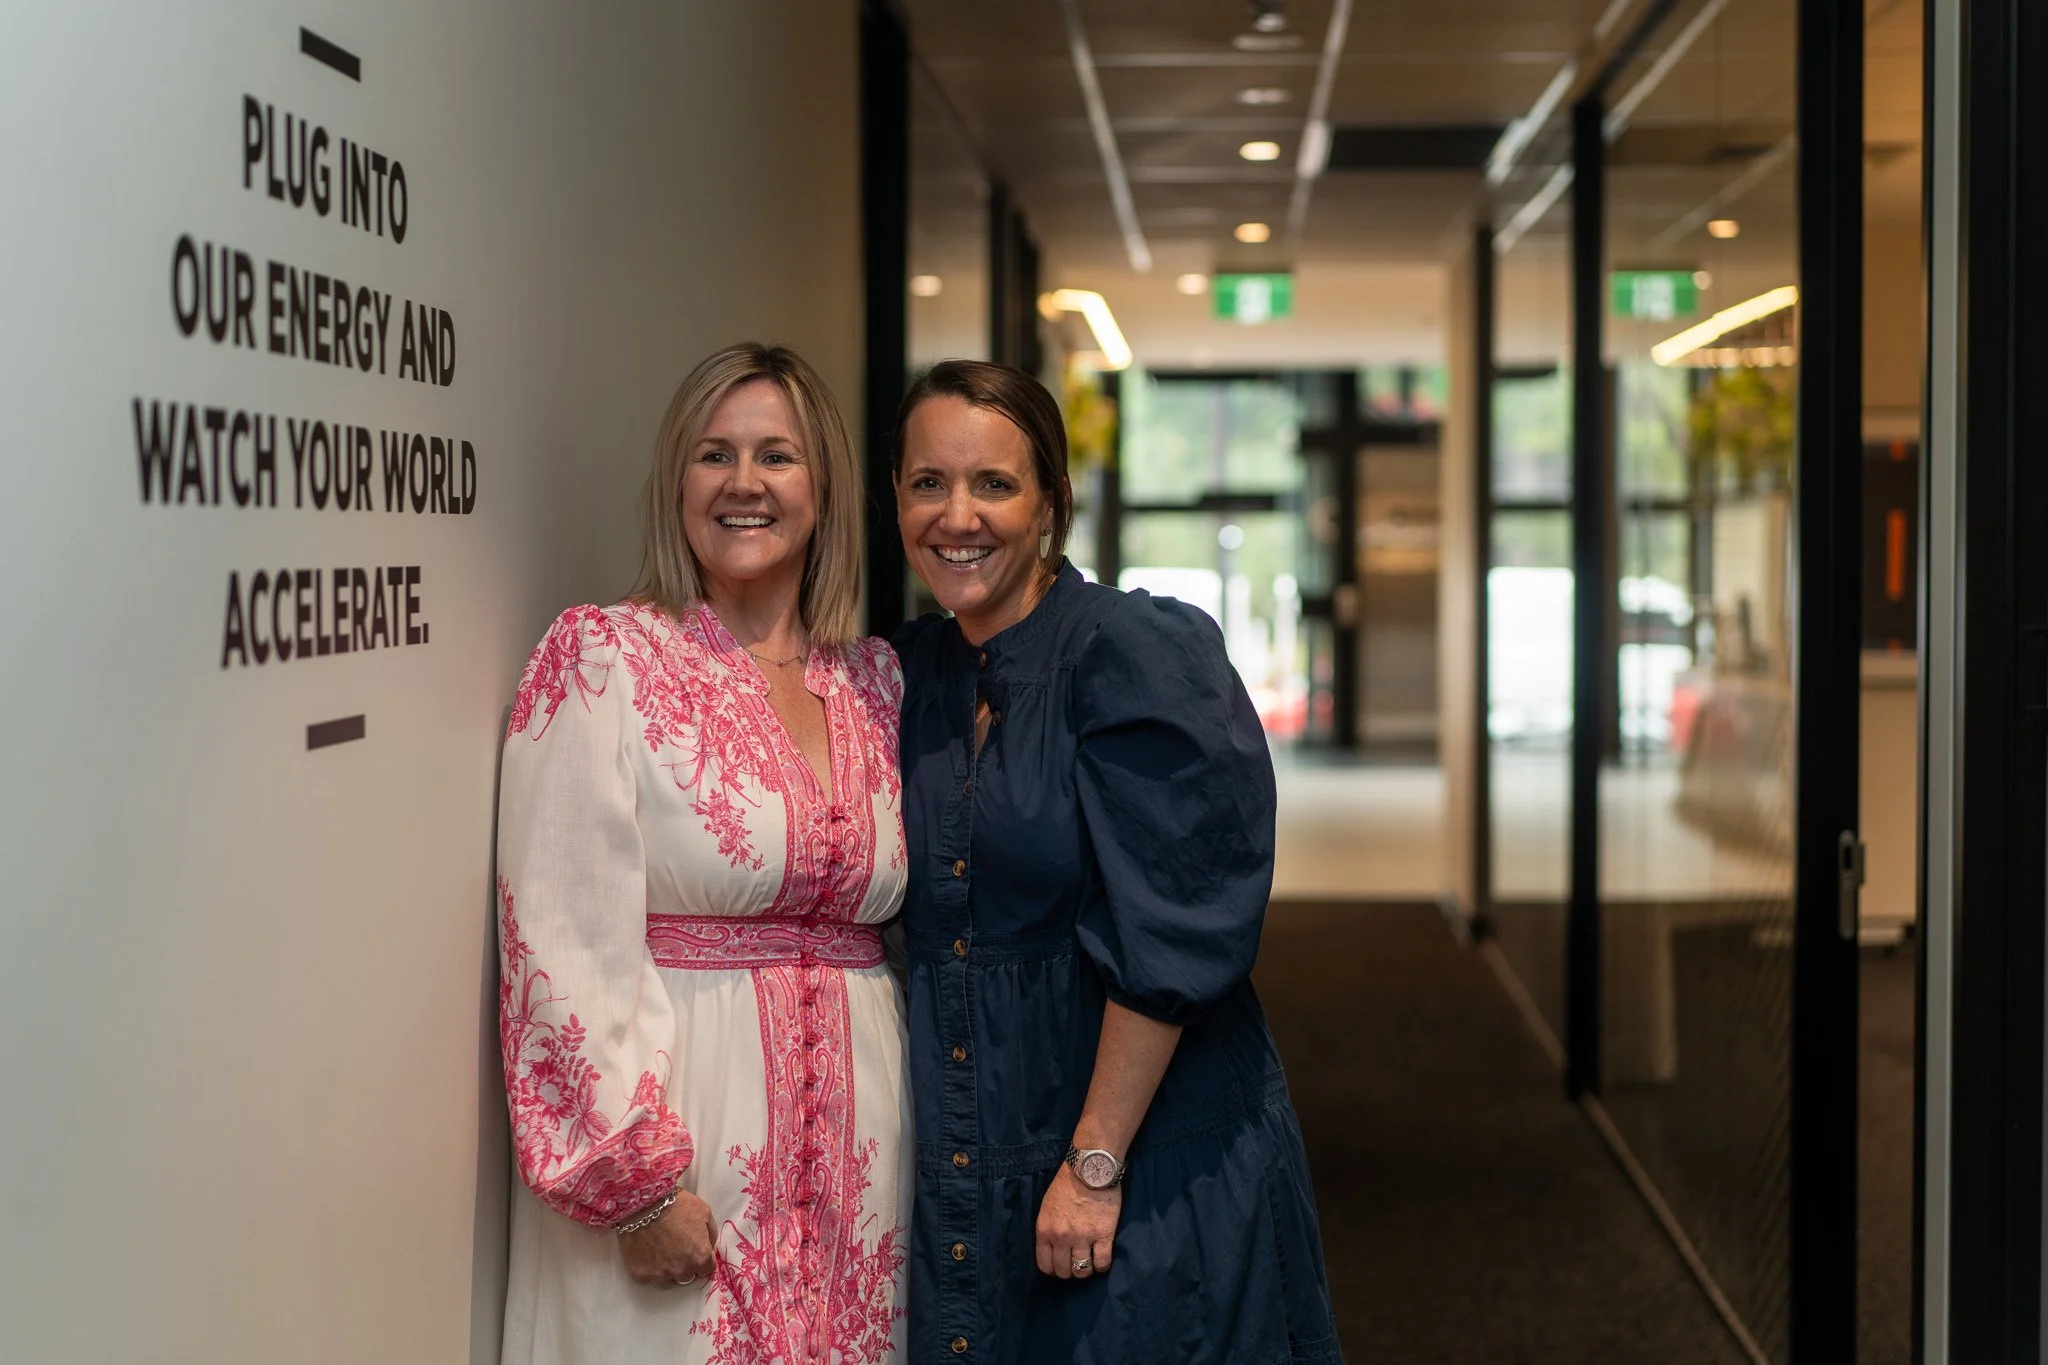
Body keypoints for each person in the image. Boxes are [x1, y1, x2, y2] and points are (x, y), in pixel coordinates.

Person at [890, 360, 1343, 1364]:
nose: (955, 515)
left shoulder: (1135, 655)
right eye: (927, 483)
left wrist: (1093, 1163)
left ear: (1049, 501)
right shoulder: (909, 673)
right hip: (981, 1166)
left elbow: (1178, 925)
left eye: (992, 484)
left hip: (1147, 1164)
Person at [495, 343, 911, 1365]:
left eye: (776, 455)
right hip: (681, 1146)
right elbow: (557, 938)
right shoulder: (605, 657)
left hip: (856, 1164)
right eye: (712, 455)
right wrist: (631, 1188)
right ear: (675, 482)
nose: (742, 484)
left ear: (823, 489)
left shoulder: (876, 681)